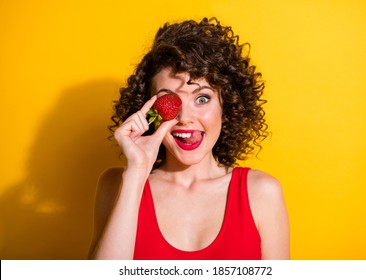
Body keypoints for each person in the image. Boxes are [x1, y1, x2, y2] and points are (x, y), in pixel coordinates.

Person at [88, 17, 289, 260]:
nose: (184, 117)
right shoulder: (117, 185)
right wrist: (136, 175)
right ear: (147, 111)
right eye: (169, 101)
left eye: (202, 98)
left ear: (227, 106)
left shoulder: (262, 192)